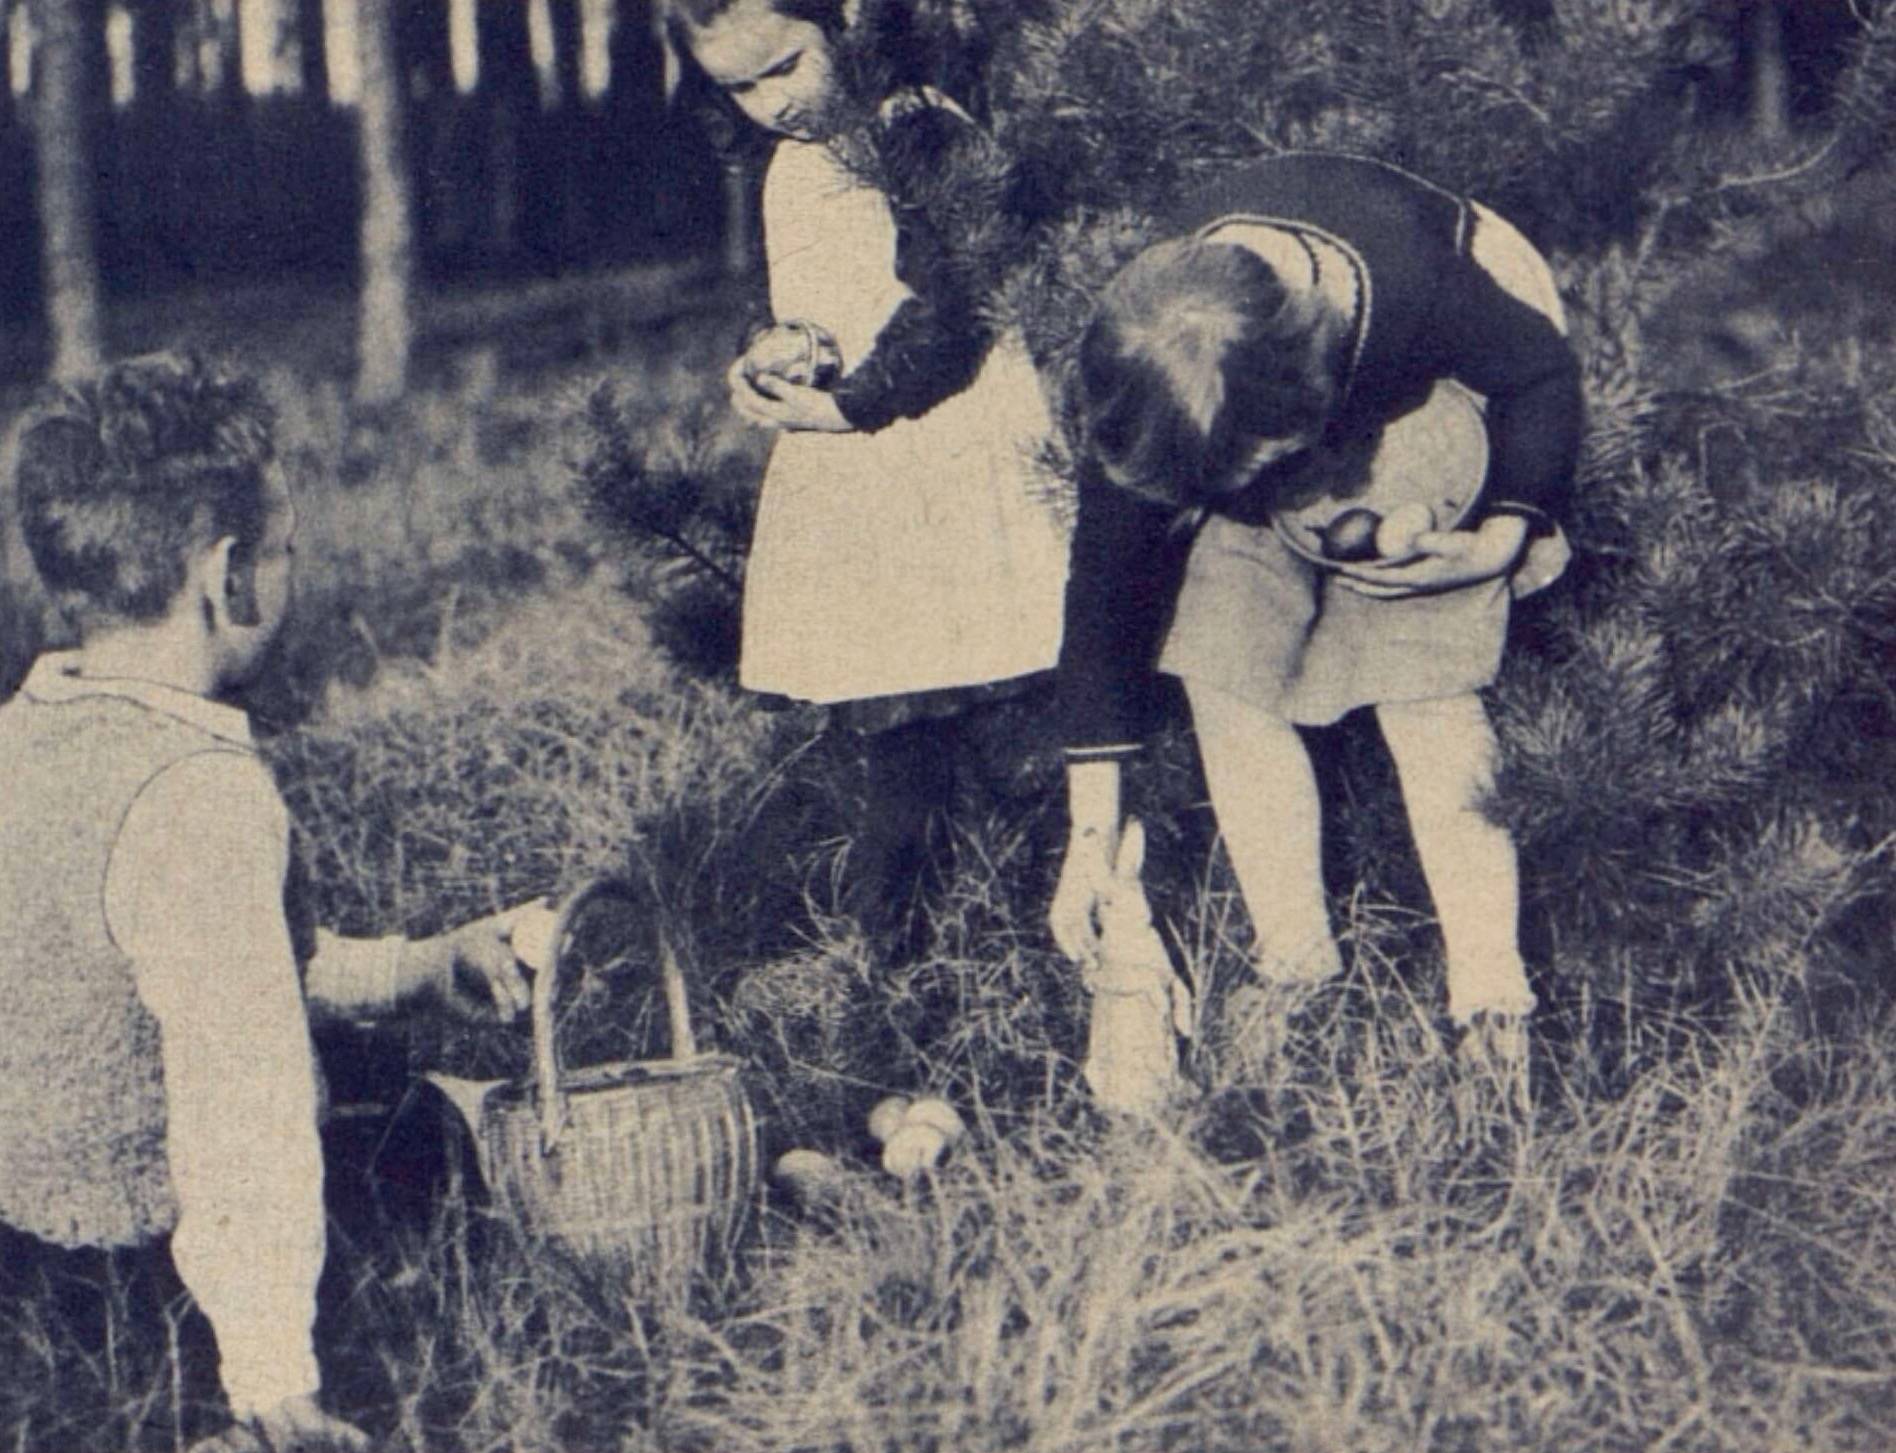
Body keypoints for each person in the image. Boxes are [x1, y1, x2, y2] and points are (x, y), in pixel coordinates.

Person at [0, 353, 533, 1453]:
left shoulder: (26, 737)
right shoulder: (196, 794)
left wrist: (419, 966)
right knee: (443, 1135)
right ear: (230, 574)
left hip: (24, 1247)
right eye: (285, 548)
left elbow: (197, 968)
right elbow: (242, 1092)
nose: (289, 571)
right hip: (147, 1273)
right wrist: (271, 1372)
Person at [1047, 152, 1584, 1074]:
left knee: (1424, 682)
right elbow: (1104, 595)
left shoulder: (1413, 289)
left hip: (1437, 386)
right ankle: (1295, 957)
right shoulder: (1152, 372)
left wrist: (1505, 531)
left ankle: (1491, 992)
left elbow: (1537, 372)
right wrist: (1091, 836)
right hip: (1266, 397)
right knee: (1223, 660)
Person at [672, 0, 1069, 957]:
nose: (772, 101)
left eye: (785, 66)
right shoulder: (791, 160)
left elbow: (957, 302)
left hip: (945, 435)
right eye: (739, 87)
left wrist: (856, 404)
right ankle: (905, 942)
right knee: (894, 706)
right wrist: (776, 350)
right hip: (862, 466)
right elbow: (809, 293)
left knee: (1010, 687)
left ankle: (1062, 907)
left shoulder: (915, 126)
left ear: (843, 24)